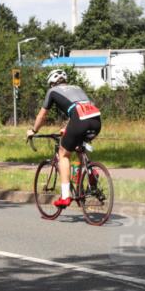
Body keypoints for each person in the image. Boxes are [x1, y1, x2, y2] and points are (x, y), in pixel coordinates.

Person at [26, 69, 101, 208]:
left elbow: (42, 116)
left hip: (80, 120)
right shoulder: (77, 88)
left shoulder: (53, 91)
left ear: (52, 83)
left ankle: (65, 196)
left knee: (63, 154)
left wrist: (33, 130)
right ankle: (90, 172)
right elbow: (80, 108)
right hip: (96, 120)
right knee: (79, 147)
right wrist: (68, 128)